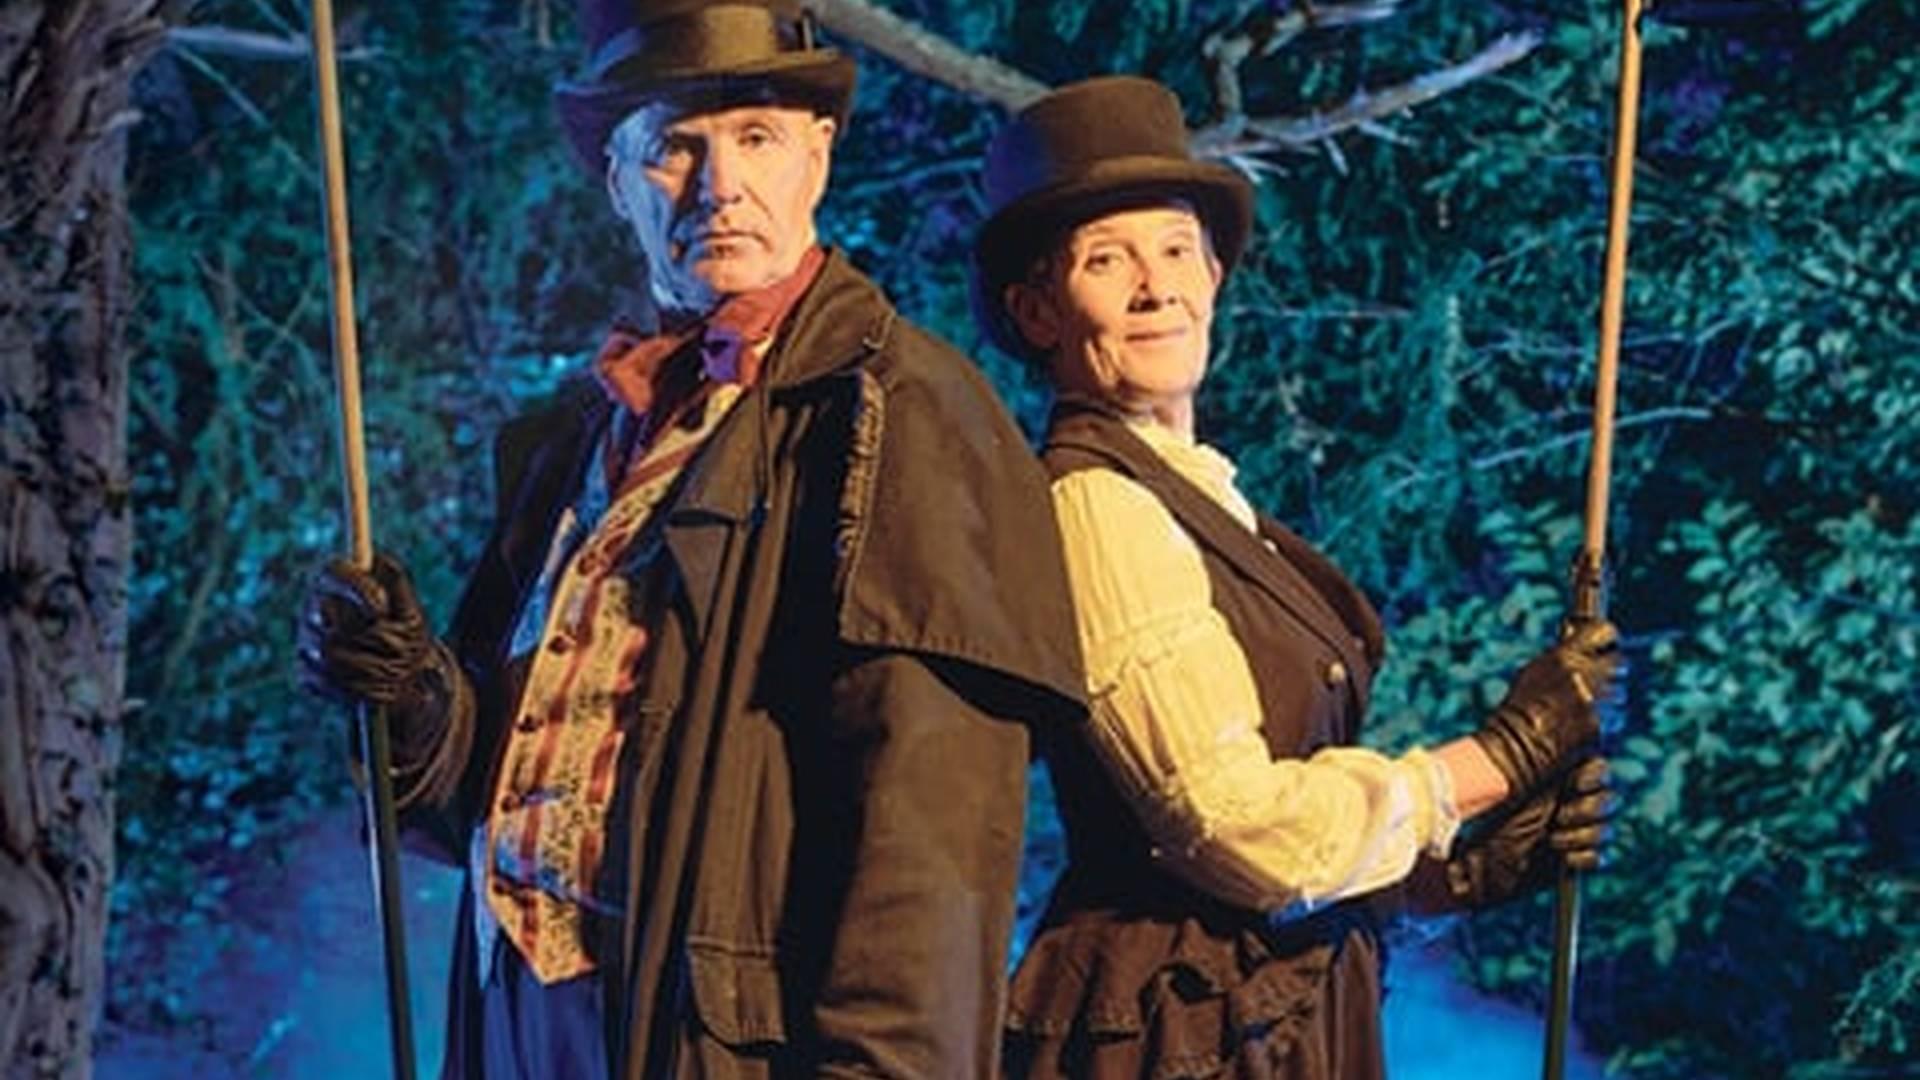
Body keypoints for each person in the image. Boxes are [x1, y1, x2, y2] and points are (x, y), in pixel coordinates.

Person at [297, 2, 1085, 1076]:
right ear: (617, 181)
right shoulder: (571, 443)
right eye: (675, 147)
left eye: (756, 137)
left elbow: (928, 849)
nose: (721, 187)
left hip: (711, 1042)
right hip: (518, 1020)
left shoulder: (901, 413)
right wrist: (412, 695)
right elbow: (487, 794)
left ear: (819, 154)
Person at [970, 76, 1620, 1079]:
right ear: (1038, 312)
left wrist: (1450, 879)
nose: (1157, 287)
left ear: (1217, 273)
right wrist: (1495, 758)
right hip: (1180, 1035)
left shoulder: (1202, 499)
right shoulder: (1097, 508)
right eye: (1108, 262)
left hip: (1268, 1017)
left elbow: (1283, 866)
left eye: (1178, 250)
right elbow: (1232, 828)